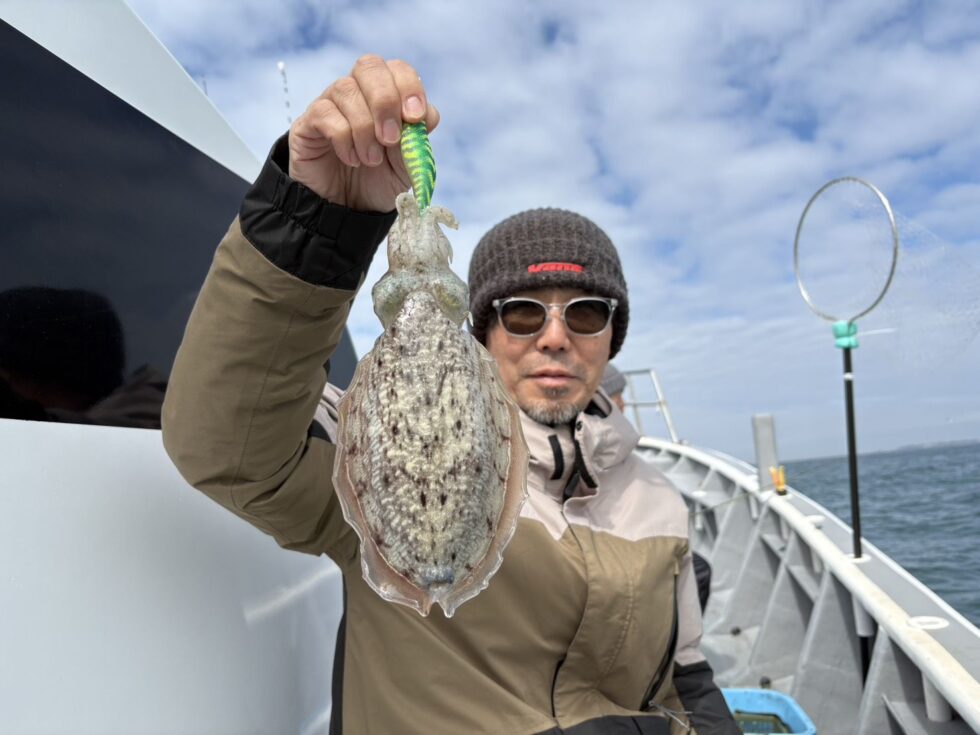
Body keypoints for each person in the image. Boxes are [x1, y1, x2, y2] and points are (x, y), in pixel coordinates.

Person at [162, 55, 737, 735]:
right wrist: (320, 221)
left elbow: (685, 680)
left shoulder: (661, 501)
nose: (555, 336)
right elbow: (232, 445)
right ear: (483, 328)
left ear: (612, 336)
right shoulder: (370, 440)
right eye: (523, 312)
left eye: (585, 312)